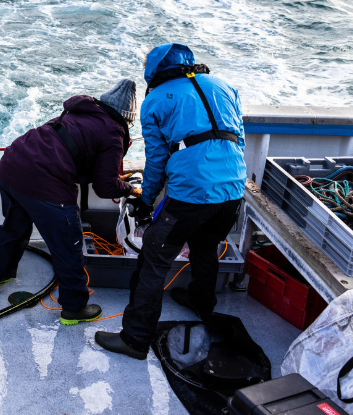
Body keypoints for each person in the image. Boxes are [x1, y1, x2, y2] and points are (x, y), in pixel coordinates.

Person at [96, 43, 247, 360]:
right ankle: (201, 303)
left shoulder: (154, 102)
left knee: (154, 259)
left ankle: (135, 339)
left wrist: (146, 200)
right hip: (234, 187)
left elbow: (157, 160)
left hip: (192, 192)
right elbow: (240, 138)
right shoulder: (225, 86)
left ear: (153, 72)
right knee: (206, 246)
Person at [0, 79, 139, 325]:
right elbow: (105, 187)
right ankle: (74, 309)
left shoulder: (80, 110)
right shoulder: (114, 131)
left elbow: (78, 149)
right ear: (126, 117)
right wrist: (131, 189)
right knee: (68, 244)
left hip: (13, 162)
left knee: (14, 225)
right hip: (45, 181)